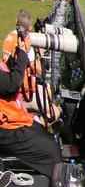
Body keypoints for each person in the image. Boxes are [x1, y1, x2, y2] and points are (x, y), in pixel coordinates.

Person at [0, 11, 61, 177]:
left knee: (42, 132)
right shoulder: (15, 42)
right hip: (6, 126)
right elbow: (11, 84)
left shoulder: (18, 41)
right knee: (51, 150)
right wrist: (22, 54)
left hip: (12, 117)